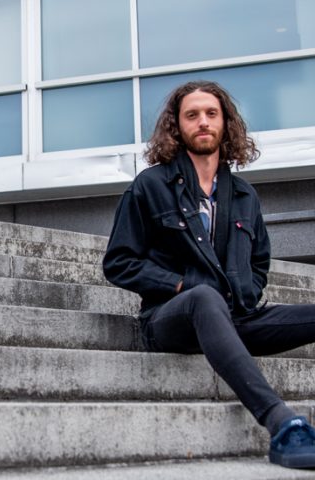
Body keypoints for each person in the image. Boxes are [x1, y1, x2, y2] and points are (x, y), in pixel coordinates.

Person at [102, 80, 315, 469]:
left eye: (211, 114)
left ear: (225, 123)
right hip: (170, 319)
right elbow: (118, 262)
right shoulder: (150, 186)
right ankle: (284, 424)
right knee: (204, 297)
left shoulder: (244, 195)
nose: (203, 122)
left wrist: (247, 292)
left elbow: (259, 261)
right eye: (192, 115)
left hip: (235, 318)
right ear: (176, 126)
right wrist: (181, 284)